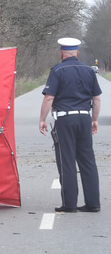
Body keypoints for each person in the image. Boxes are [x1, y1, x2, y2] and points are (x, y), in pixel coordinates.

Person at [39, 37, 102, 213]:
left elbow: (49, 97)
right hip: (84, 118)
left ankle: (70, 204)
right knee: (88, 161)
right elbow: (96, 98)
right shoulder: (89, 71)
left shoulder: (58, 70)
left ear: (62, 53)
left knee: (67, 161)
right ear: (77, 53)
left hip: (65, 120)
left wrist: (42, 119)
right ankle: (93, 203)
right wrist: (94, 119)